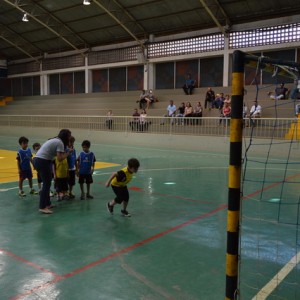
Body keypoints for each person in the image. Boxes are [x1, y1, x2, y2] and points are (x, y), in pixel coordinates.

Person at [33, 129, 73, 214]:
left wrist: (65, 152)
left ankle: (47, 204)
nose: (70, 138)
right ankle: (42, 207)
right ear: (66, 136)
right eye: (69, 136)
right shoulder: (60, 143)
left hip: (41, 160)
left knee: (47, 183)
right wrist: (68, 153)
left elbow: (55, 154)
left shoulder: (56, 140)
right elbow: (60, 158)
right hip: (42, 161)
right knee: (46, 184)